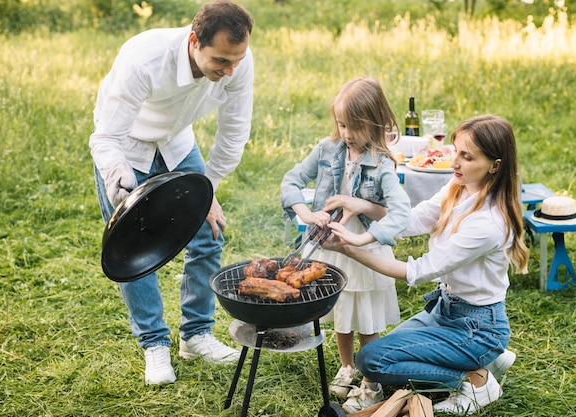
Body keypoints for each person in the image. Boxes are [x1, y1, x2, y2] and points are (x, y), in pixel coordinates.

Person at [89, 0, 254, 385]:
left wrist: (206, 190)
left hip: (177, 143)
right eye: (221, 61)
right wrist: (124, 188)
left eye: (236, 60)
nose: (231, 70)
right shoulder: (143, 59)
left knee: (210, 231)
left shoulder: (238, 60)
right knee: (132, 247)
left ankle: (195, 334)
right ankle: (154, 344)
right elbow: (106, 136)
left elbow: (233, 134)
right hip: (126, 146)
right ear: (194, 40)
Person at [324, 114, 529, 414]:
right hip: (447, 311)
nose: (455, 163)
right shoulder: (460, 187)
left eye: (467, 157)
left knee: (372, 360)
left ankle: (475, 380)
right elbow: (413, 220)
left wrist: (349, 249)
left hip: (477, 327)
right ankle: (484, 360)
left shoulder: (487, 223)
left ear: (494, 166)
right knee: (375, 354)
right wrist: (363, 206)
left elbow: (417, 271)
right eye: (456, 152)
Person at [280, 77, 412, 413]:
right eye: (341, 124)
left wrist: (362, 232)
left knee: (366, 317)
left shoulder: (382, 164)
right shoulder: (327, 149)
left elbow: (396, 212)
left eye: (354, 126)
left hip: (364, 250)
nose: (347, 133)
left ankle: (371, 379)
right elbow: (292, 180)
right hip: (330, 246)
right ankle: (347, 366)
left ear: (375, 124)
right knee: (340, 311)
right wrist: (305, 213)